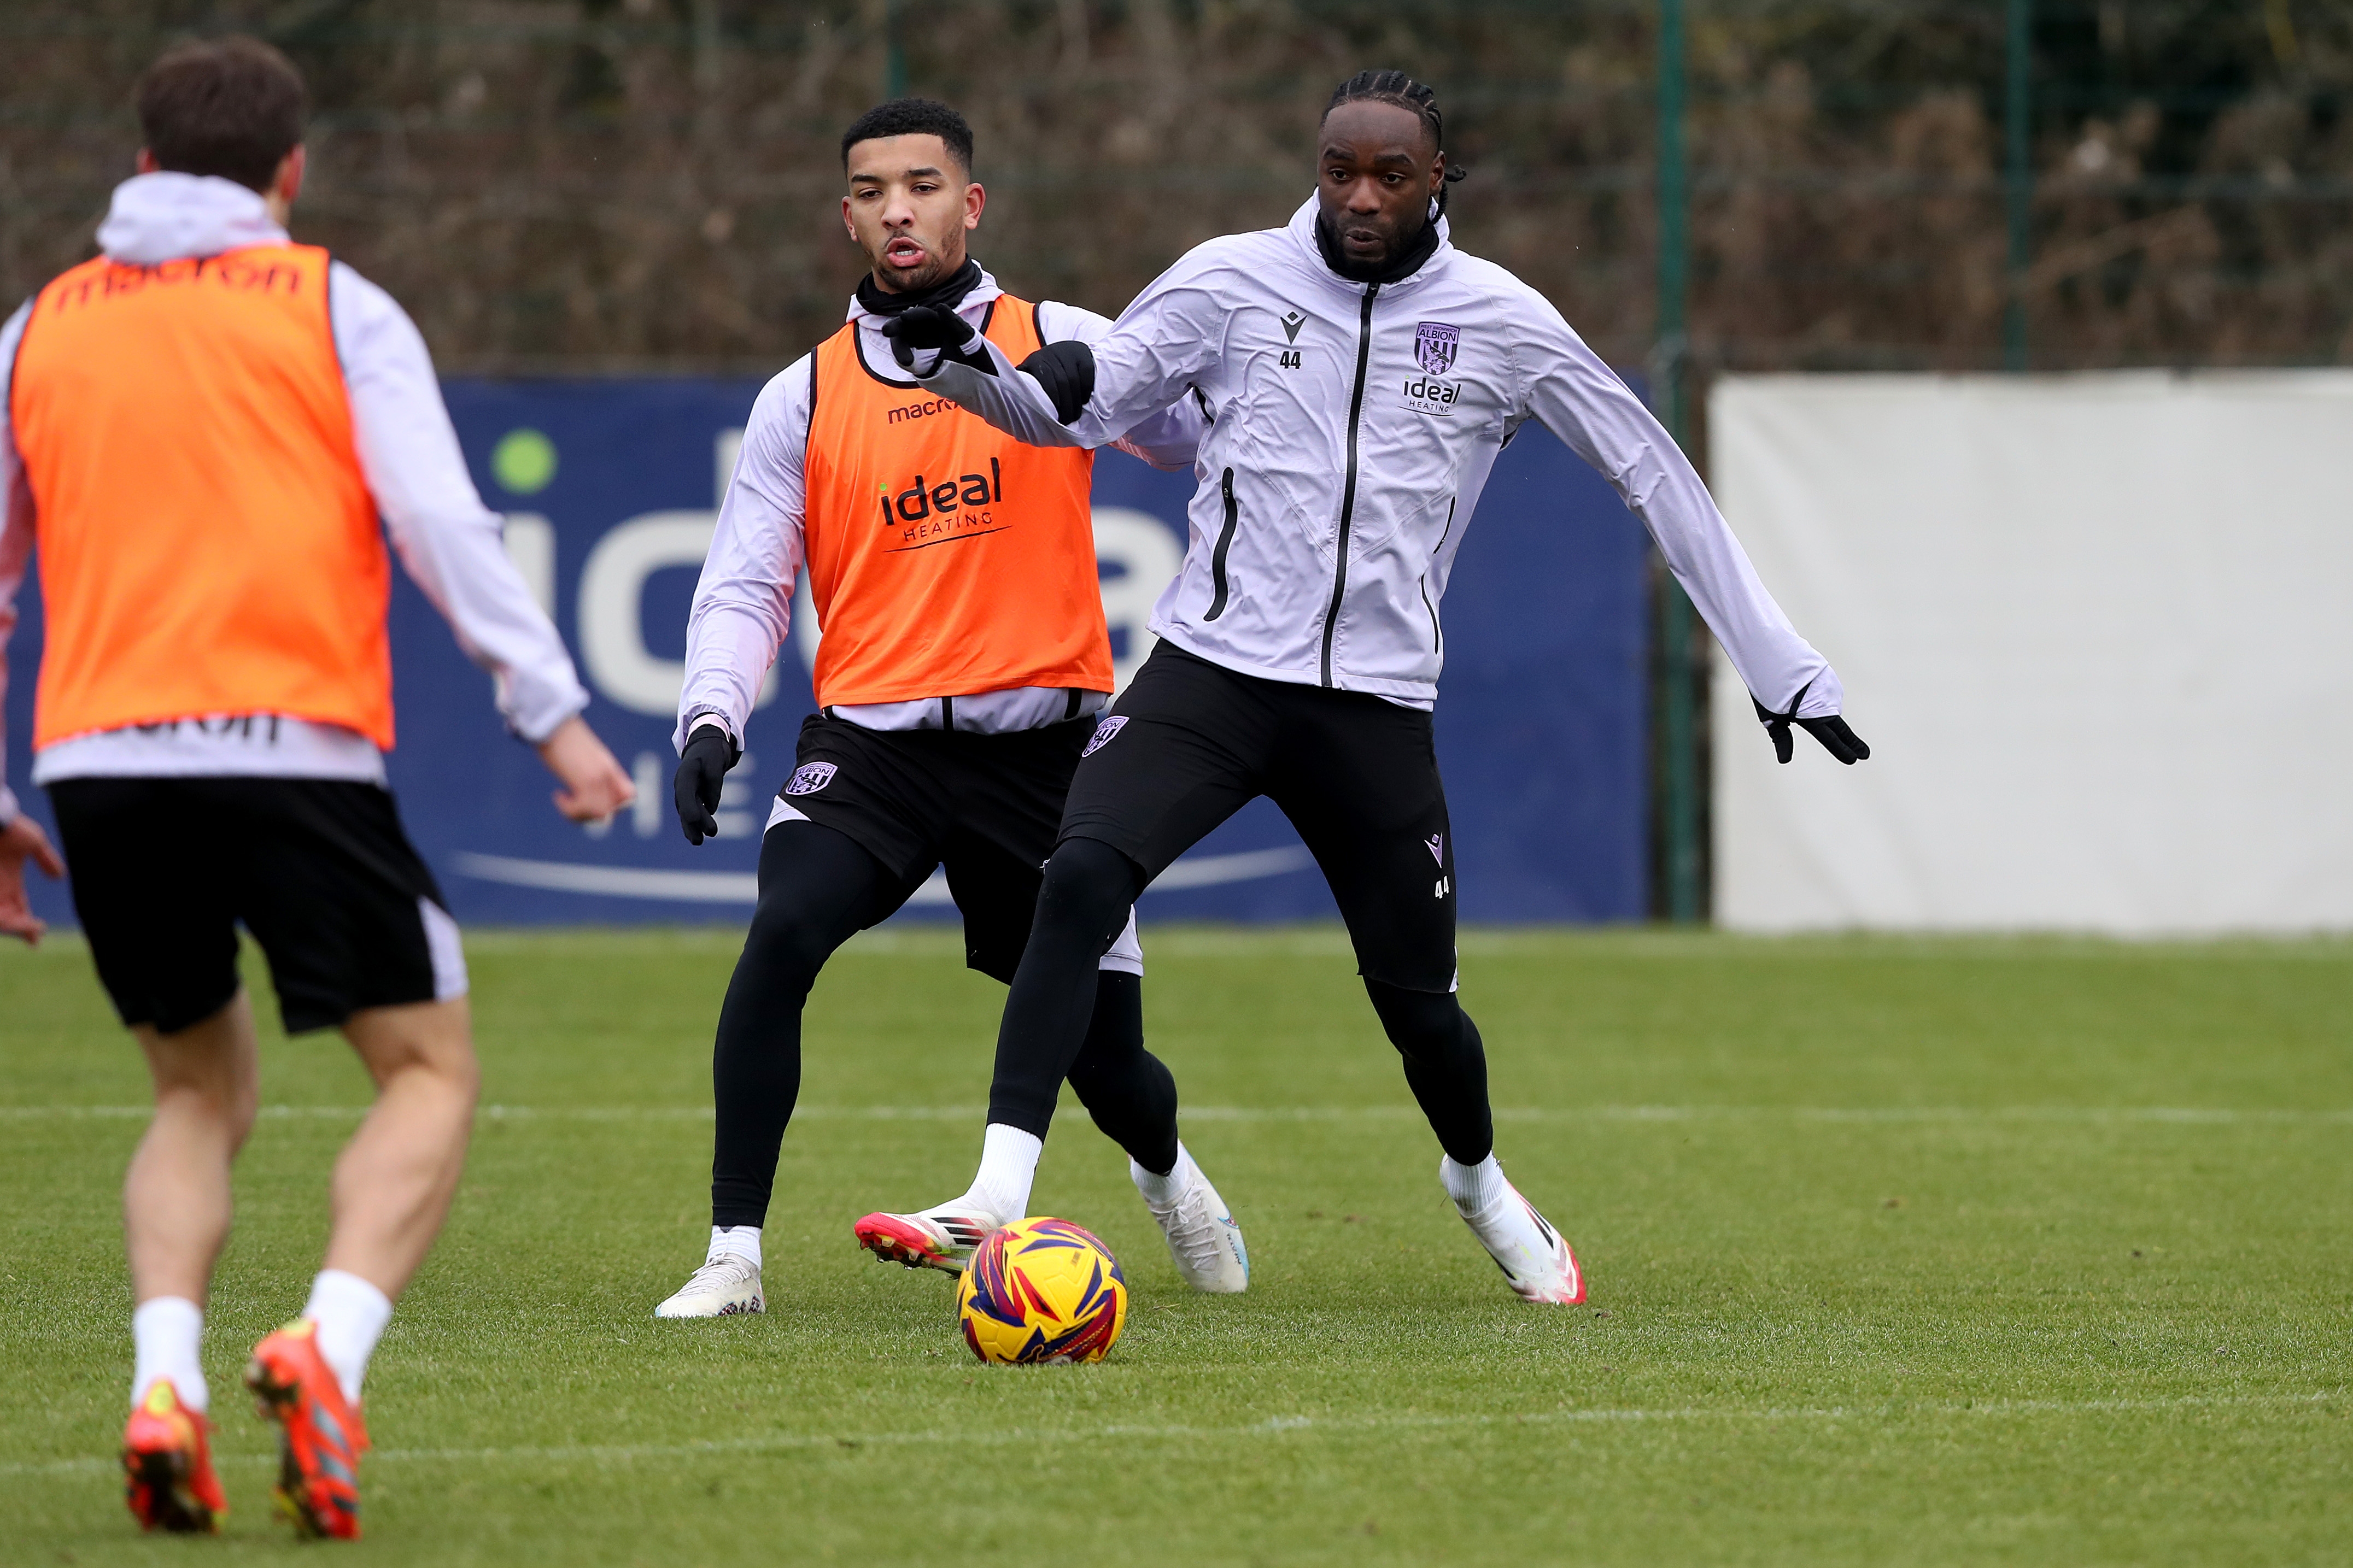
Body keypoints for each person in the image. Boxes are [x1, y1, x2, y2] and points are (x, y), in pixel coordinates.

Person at [864, 69, 1871, 1306]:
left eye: (1390, 175)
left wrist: (1778, 664)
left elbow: (1650, 471)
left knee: (1420, 1012)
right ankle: (998, 1192)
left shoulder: (1503, 319)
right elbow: (1074, 410)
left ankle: (1479, 1183)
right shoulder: (1229, 280)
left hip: (1375, 709)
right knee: (1074, 875)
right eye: (1339, 168)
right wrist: (956, 373)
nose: (1358, 196)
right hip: (1213, 674)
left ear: (1438, 179)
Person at [0, 38, 634, 1537]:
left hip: (100, 762)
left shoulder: (38, 327)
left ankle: (168, 1381)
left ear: (141, 164)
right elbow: (437, 520)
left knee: (194, 1089)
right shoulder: (333, 303)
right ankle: (324, 1349)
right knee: (426, 1068)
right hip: (294, 750)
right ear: (291, 173)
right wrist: (552, 716)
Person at [652, 97, 1248, 1321]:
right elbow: (747, 582)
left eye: (922, 185)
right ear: (848, 217)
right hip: (871, 752)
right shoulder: (802, 396)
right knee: (779, 942)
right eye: (871, 191)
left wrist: (1117, 384)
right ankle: (733, 1254)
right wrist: (711, 718)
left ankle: (1168, 1171)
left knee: (1115, 1069)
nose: (898, 209)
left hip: (1046, 756)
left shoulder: (1057, 336)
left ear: (970, 204)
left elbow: (1194, 439)